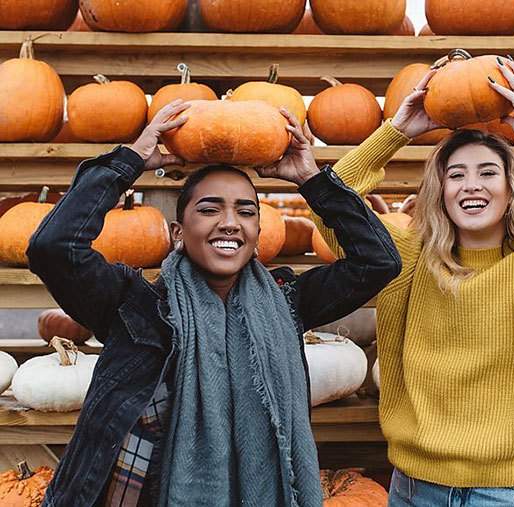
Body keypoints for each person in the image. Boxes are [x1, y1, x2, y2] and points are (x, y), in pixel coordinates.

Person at [27, 100, 401, 506]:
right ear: (178, 233)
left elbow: (378, 262)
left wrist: (311, 179)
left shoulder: (287, 300)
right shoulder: (134, 304)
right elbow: (53, 246)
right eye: (209, 209)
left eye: (246, 211)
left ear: (257, 231)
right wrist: (131, 160)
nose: (229, 222)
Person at [312, 57, 514, 506]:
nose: (472, 185)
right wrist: (397, 131)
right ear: (440, 192)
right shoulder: (404, 257)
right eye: (456, 174)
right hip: (415, 485)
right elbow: (330, 210)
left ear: (512, 189)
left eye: (488, 172)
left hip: (509, 491)